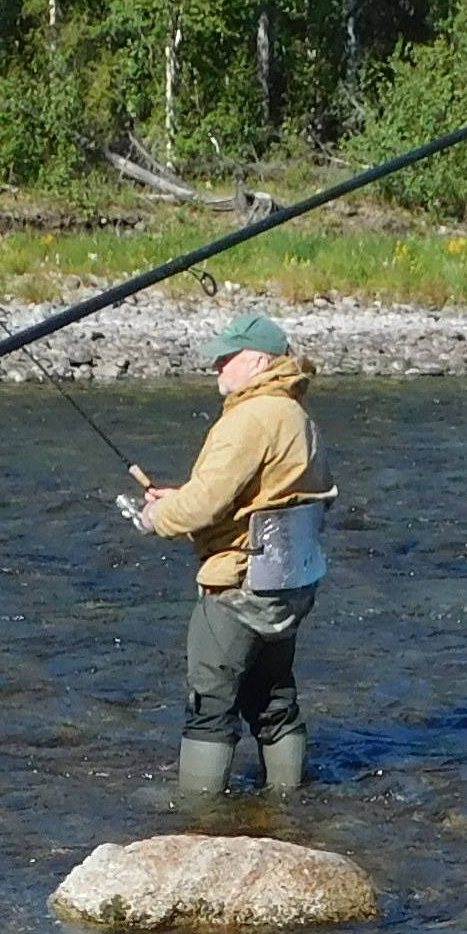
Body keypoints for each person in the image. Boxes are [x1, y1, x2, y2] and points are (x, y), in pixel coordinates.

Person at [134, 311, 335, 794]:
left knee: (209, 704)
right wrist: (181, 497)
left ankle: (197, 812)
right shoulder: (295, 415)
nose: (217, 368)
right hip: (285, 584)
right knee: (274, 699)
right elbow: (263, 495)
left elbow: (204, 506)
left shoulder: (249, 419)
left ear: (260, 361)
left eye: (227, 359)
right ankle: (287, 802)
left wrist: (157, 517)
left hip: (238, 585)